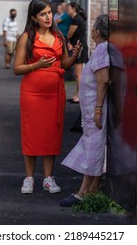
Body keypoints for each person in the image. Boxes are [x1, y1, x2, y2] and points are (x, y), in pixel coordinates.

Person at [13, 0, 82, 194]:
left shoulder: (58, 36)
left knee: (51, 134)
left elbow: (64, 65)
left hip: (54, 93)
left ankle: (48, 178)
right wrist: (36, 65)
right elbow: (17, 69)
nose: (48, 16)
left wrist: (74, 56)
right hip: (32, 94)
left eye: (50, 12)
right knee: (31, 133)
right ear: (34, 17)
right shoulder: (27, 37)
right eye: (43, 14)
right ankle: (29, 178)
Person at [60, 14, 110, 207]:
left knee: (93, 147)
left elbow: (103, 81)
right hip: (92, 110)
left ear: (97, 32)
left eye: (92, 28)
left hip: (95, 111)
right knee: (94, 145)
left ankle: (83, 191)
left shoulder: (101, 50)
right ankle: (93, 188)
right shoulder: (102, 49)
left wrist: (97, 110)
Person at [67, 2, 89, 103]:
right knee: (78, 73)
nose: (67, 10)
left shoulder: (76, 19)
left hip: (79, 47)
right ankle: (77, 94)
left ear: (73, 9)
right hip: (79, 46)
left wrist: (69, 41)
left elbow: (69, 35)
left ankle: (79, 96)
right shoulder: (77, 18)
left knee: (78, 73)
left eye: (68, 8)